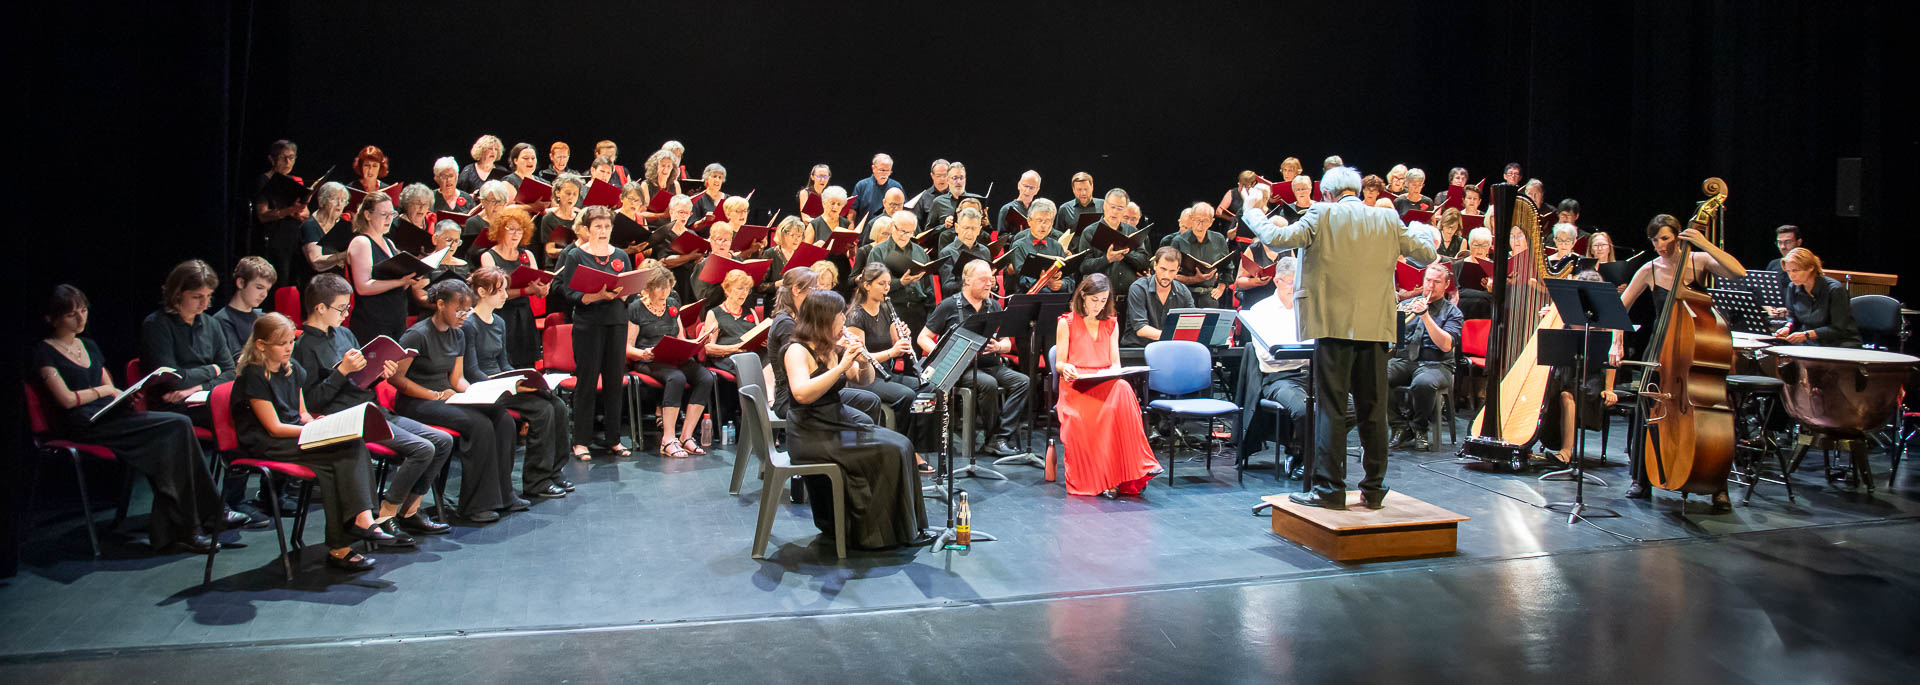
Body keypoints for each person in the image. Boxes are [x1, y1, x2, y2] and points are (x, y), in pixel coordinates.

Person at [1244, 166, 1440, 510]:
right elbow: (1425, 254)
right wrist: (1423, 227)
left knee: (1331, 410)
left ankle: (1329, 490)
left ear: (1329, 195)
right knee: (1373, 410)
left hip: (1332, 327)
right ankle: (1374, 489)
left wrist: (1251, 211)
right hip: (1375, 328)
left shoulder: (1321, 213)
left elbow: (1277, 240)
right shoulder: (1387, 218)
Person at [37, 285, 231, 553]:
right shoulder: (44, 352)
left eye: (83, 311)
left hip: (111, 416)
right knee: (174, 430)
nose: (81, 319)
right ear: (52, 318)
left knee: (176, 429)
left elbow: (112, 388)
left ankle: (187, 527)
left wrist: (122, 397)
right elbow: (67, 400)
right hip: (85, 425)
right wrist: (107, 392)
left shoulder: (88, 345)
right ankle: (203, 517)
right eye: (72, 314)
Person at [294, 274, 454, 540]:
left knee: (443, 440)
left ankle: (409, 511)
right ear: (320, 307)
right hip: (344, 418)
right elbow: (312, 402)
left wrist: (381, 372)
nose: (346, 314)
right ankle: (386, 513)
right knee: (422, 448)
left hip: (371, 408)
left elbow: (362, 379)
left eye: (348, 307)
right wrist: (341, 371)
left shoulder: (344, 333)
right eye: (341, 308)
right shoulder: (304, 347)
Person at [232, 313, 393, 571]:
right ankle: (344, 543)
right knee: (333, 460)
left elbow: (302, 413)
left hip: (294, 433)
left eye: (289, 342)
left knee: (351, 443)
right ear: (261, 345)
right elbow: (273, 428)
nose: (287, 348)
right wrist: (313, 431)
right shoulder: (254, 376)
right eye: (280, 343)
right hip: (267, 442)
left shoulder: (292, 368)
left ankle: (362, 521)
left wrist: (317, 424)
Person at [782, 290, 932, 549]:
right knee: (888, 452)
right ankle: (872, 534)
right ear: (824, 318)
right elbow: (801, 393)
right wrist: (841, 366)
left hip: (835, 423)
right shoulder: (796, 350)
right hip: (812, 433)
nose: (844, 319)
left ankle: (907, 528)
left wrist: (863, 361)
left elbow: (863, 381)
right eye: (840, 314)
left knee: (903, 446)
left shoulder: (832, 347)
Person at [1620, 213, 1747, 508]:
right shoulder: (1649, 270)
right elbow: (1622, 307)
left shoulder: (1698, 261)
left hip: (1694, 348)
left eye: (1665, 238)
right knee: (1646, 405)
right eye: (1654, 240)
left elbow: (1738, 273)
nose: (1660, 245)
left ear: (1678, 235)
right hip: (1661, 349)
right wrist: (1614, 338)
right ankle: (1641, 478)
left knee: (1709, 415)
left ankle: (1717, 484)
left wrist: (1703, 243)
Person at [390, 280, 524, 523]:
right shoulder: (417, 335)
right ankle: (475, 505)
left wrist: (477, 394)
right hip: (417, 401)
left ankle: (505, 494)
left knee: (502, 418)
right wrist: (435, 395)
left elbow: (458, 378)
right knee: (478, 425)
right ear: (440, 305)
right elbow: (397, 380)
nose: (464, 316)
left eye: (468, 310)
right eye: (459, 310)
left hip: (446, 397)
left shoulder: (459, 334)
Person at [465, 267, 575, 497]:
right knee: (543, 410)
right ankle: (537, 480)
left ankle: (555, 471)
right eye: (500, 291)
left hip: (502, 383)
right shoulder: (469, 324)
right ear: (482, 292)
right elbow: (471, 370)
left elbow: (504, 362)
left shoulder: (498, 322)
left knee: (557, 405)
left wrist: (519, 378)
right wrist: (506, 384)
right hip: (483, 388)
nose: (506, 295)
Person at [1053, 274, 1161, 497]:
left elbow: (1115, 364)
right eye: (1094, 300)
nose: (1098, 306)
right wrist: (1068, 368)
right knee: (1104, 405)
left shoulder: (1111, 323)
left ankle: (1139, 465)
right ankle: (1105, 478)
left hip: (1103, 381)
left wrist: (1109, 373)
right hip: (1077, 385)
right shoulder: (1067, 322)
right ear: (1083, 295)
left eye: (1103, 301)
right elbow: (1060, 362)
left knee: (1122, 387)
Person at [916, 259, 1029, 458]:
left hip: (990, 363)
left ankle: (999, 437)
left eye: (991, 280)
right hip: (962, 367)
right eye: (983, 280)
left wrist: (999, 346)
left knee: (1023, 382)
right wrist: (944, 354)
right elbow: (922, 337)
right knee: (989, 384)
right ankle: (992, 436)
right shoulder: (949, 305)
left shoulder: (993, 305)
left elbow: (1008, 344)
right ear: (967, 281)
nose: (989, 284)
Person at [554, 206, 635, 458]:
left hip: (616, 322)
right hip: (588, 325)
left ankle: (613, 438)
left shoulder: (620, 254)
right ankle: (581, 441)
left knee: (614, 382)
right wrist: (598, 295)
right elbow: (569, 293)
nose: (603, 231)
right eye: (598, 226)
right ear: (587, 230)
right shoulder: (576, 256)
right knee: (587, 383)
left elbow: (630, 289)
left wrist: (626, 292)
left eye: (607, 226)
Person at [766, 267, 885, 423]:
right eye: (814, 288)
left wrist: (863, 361)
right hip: (790, 397)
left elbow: (863, 379)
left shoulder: (801, 320)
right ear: (796, 290)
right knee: (862, 419)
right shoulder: (786, 324)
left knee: (870, 400)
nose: (817, 293)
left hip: (823, 390)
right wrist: (837, 350)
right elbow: (809, 364)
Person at [626, 267, 717, 458]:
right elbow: (627, 347)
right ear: (648, 288)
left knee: (705, 377)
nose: (664, 293)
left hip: (673, 356)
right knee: (676, 378)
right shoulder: (636, 308)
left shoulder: (672, 304)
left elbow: (680, 337)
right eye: (659, 289)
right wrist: (643, 353)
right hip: (648, 359)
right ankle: (667, 439)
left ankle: (686, 436)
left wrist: (698, 341)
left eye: (666, 288)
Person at [1536, 269, 1624, 464]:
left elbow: (1612, 360)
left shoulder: (1609, 318)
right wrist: (1547, 318)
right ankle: (1528, 439)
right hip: (1567, 369)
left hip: (1592, 376)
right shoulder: (1567, 310)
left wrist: (1609, 388)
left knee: (1568, 395)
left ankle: (1566, 452)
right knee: (1544, 391)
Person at [1234, 256, 1310, 479]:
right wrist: (1303, 354)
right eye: (1291, 282)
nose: (1296, 288)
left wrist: (1296, 352)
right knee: (1305, 409)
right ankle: (1307, 457)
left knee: (1351, 407)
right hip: (1278, 378)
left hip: (1311, 374)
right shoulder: (1261, 310)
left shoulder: (1307, 307)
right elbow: (1269, 357)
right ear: (1277, 281)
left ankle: (1304, 449)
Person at [845, 263, 930, 458]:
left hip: (886, 374)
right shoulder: (855, 316)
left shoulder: (886, 309)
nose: (887, 288)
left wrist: (903, 338)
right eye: (881, 283)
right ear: (867, 285)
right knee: (907, 395)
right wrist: (892, 352)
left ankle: (919, 444)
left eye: (888, 284)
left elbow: (897, 347)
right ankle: (903, 448)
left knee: (928, 388)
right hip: (865, 378)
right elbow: (858, 356)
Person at [140, 259, 238, 427]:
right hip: (171, 404)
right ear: (177, 294)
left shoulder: (211, 324)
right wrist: (213, 369)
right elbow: (172, 379)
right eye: (197, 297)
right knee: (235, 413)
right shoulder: (157, 324)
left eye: (208, 296)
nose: (205, 303)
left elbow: (230, 372)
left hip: (202, 395)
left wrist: (197, 388)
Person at [1387, 264, 1463, 452]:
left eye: (1436, 282)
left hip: (1437, 364)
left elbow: (1445, 345)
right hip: (1405, 360)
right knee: (1374, 375)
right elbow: (1391, 337)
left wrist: (1426, 317)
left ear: (1446, 285)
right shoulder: (1407, 306)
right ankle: (1399, 425)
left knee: (1423, 383)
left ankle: (1419, 427)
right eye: (1428, 281)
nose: (1430, 286)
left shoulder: (1453, 313)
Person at [344, 192, 424, 343]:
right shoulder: (362, 242)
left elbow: (393, 283)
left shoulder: (389, 243)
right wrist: (400, 282)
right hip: (373, 321)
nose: (389, 219)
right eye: (383, 214)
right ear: (368, 215)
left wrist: (408, 279)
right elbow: (363, 287)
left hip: (395, 317)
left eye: (391, 214)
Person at [475, 206, 549, 368]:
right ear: (501, 230)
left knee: (526, 365)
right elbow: (493, 292)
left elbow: (539, 287)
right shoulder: (488, 256)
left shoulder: (527, 255)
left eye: (520, 230)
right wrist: (525, 291)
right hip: (502, 314)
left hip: (524, 316)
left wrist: (542, 290)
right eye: (511, 229)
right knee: (505, 363)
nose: (516, 234)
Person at [1079, 188, 1151, 318]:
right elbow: (1083, 266)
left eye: (1120, 208)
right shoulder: (1090, 232)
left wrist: (1126, 254)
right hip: (1101, 303)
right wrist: (1107, 259)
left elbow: (1145, 261)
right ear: (1105, 205)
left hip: (1130, 301)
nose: (1115, 211)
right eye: (1112, 206)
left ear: (1124, 210)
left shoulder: (1132, 231)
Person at [1768, 247, 1859, 348]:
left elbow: (1838, 328)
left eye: (1795, 271)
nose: (1791, 276)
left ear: (1811, 267)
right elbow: (1793, 318)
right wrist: (1787, 327)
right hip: (1810, 342)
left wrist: (1807, 334)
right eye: (1788, 271)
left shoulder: (1834, 290)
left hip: (1838, 343)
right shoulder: (1792, 287)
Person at [254, 140, 309, 287]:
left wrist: (299, 211)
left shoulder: (295, 181)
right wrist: (289, 211)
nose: (288, 162)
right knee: (282, 278)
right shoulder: (264, 180)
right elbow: (262, 214)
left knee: (297, 276)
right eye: (283, 157)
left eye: (291, 157)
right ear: (272, 159)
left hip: (294, 235)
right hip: (274, 235)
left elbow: (305, 214)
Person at [1123, 247, 1195, 348]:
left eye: (1172, 271)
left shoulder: (1183, 291)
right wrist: (1172, 336)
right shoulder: (1139, 288)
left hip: (1170, 348)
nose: (1166, 275)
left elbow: (1192, 324)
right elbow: (1141, 329)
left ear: (1178, 270)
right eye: (1163, 269)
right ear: (1155, 265)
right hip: (1139, 349)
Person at [1170, 203, 1230, 308]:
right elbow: (1170, 273)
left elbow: (1228, 268)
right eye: (1197, 220)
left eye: (1205, 221)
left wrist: (1221, 287)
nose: (1200, 225)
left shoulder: (1219, 239)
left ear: (1211, 222)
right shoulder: (1179, 241)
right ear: (1191, 219)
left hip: (1209, 297)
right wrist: (1194, 279)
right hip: (1183, 296)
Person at [213, 256, 276, 356]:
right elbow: (237, 358)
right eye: (259, 287)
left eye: (267, 290)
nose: (264, 295)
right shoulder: (222, 320)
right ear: (241, 283)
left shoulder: (261, 318)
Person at [1008, 201, 1074, 295]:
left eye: (1047, 221)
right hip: (1028, 298)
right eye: (1039, 220)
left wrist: (1061, 284)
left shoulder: (1057, 246)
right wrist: (1045, 281)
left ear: (1052, 223)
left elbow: (1070, 279)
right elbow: (1021, 279)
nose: (1043, 225)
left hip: (1054, 299)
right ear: (1029, 221)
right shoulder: (1019, 245)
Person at [295, 182, 351, 285]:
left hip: (338, 283)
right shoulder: (310, 226)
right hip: (316, 286)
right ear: (322, 201)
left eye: (343, 200)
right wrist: (344, 255)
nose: (339, 204)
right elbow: (316, 262)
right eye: (334, 199)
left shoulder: (342, 225)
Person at [539, 174, 585, 268]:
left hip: (577, 265)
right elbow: (550, 250)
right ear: (557, 193)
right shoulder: (549, 218)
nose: (571, 197)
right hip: (555, 266)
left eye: (575, 194)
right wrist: (572, 251)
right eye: (568, 193)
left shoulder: (581, 218)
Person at [849, 154, 903, 223]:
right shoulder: (861, 185)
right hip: (865, 231)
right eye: (882, 170)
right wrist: (851, 226)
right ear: (873, 168)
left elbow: (903, 209)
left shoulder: (896, 186)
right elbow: (852, 210)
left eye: (888, 171)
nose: (885, 174)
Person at [1057, 172, 1103, 243]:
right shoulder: (1064, 209)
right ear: (1073, 189)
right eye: (1079, 189)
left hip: (1099, 252)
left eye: (1086, 189)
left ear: (1092, 187)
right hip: (1073, 253)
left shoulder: (1103, 204)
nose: (1083, 193)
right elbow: (1059, 236)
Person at [638, 150, 679, 225]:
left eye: (669, 166)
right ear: (655, 167)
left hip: (671, 226)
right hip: (652, 227)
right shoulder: (646, 185)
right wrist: (662, 215)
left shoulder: (676, 185)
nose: (666, 170)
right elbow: (640, 214)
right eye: (663, 166)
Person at [907, 158, 950, 228]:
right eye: (938, 176)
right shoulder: (924, 197)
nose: (942, 179)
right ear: (932, 175)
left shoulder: (956, 195)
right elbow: (916, 223)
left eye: (945, 175)